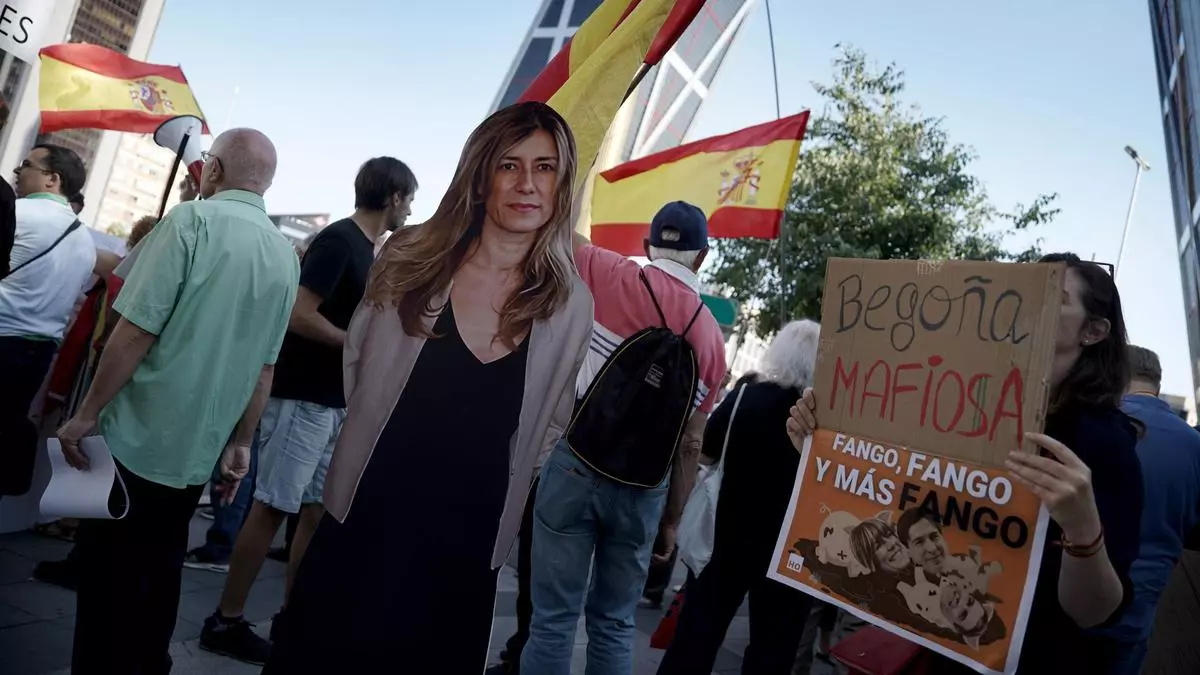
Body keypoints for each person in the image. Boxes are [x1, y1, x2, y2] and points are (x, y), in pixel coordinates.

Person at [264, 101, 593, 674]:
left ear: (563, 183)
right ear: (481, 172)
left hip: (468, 542)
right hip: (367, 512)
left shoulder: (570, 304)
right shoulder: (411, 255)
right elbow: (360, 363)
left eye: (545, 168)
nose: (526, 184)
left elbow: (552, 419)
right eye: (509, 165)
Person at [787, 252, 1144, 673]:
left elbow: (1094, 612)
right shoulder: (962, 404)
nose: (1030, 304)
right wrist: (822, 449)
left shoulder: (1103, 443)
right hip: (938, 651)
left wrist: (1083, 530)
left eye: (1054, 296)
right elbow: (904, 499)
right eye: (1026, 290)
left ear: (1094, 330)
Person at [56, 128, 299, 673]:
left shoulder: (192, 221)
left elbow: (134, 332)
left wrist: (87, 413)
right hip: (198, 448)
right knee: (160, 570)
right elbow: (264, 368)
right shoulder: (284, 255)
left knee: (107, 580)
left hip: (135, 436)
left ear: (212, 170)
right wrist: (240, 445)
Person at [200, 156, 418, 664]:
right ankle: (225, 620)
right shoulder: (341, 241)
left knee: (315, 511)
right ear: (393, 197)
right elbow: (299, 313)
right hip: (304, 399)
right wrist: (357, 347)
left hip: (331, 402)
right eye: (410, 198)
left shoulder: (367, 249)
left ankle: (294, 618)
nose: (411, 208)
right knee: (273, 505)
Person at [521, 201, 726, 675]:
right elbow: (691, 445)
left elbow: (559, 233)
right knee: (613, 624)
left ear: (647, 245)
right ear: (703, 255)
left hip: (575, 463)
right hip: (642, 490)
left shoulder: (607, 271)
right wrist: (671, 522)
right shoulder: (712, 341)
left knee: (552, 621)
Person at [658, 320, 820, 675]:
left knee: (697, 634)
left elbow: (707, 451)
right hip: (790, 549)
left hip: (727, 535)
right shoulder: (822, 421)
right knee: (772, 649)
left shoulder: (747, 397)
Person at [33, 214, 165, 591]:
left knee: (91, 456)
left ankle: (80, 549)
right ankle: (83, 543)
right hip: (141, 395)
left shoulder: (130, 278)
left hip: (111, 382)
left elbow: (120, 334)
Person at [1096, 345, 1200, 675]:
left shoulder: (1096, 425)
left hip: (1078, 597)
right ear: (1157, 381)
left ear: (1115, 373)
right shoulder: (1194, 444)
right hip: (1141, 608)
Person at [0, 144, 94, 498]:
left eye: (26, 165)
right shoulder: (84, 239)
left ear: (53, 179)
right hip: (38, 355)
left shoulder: (18, 212)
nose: (17, 172)